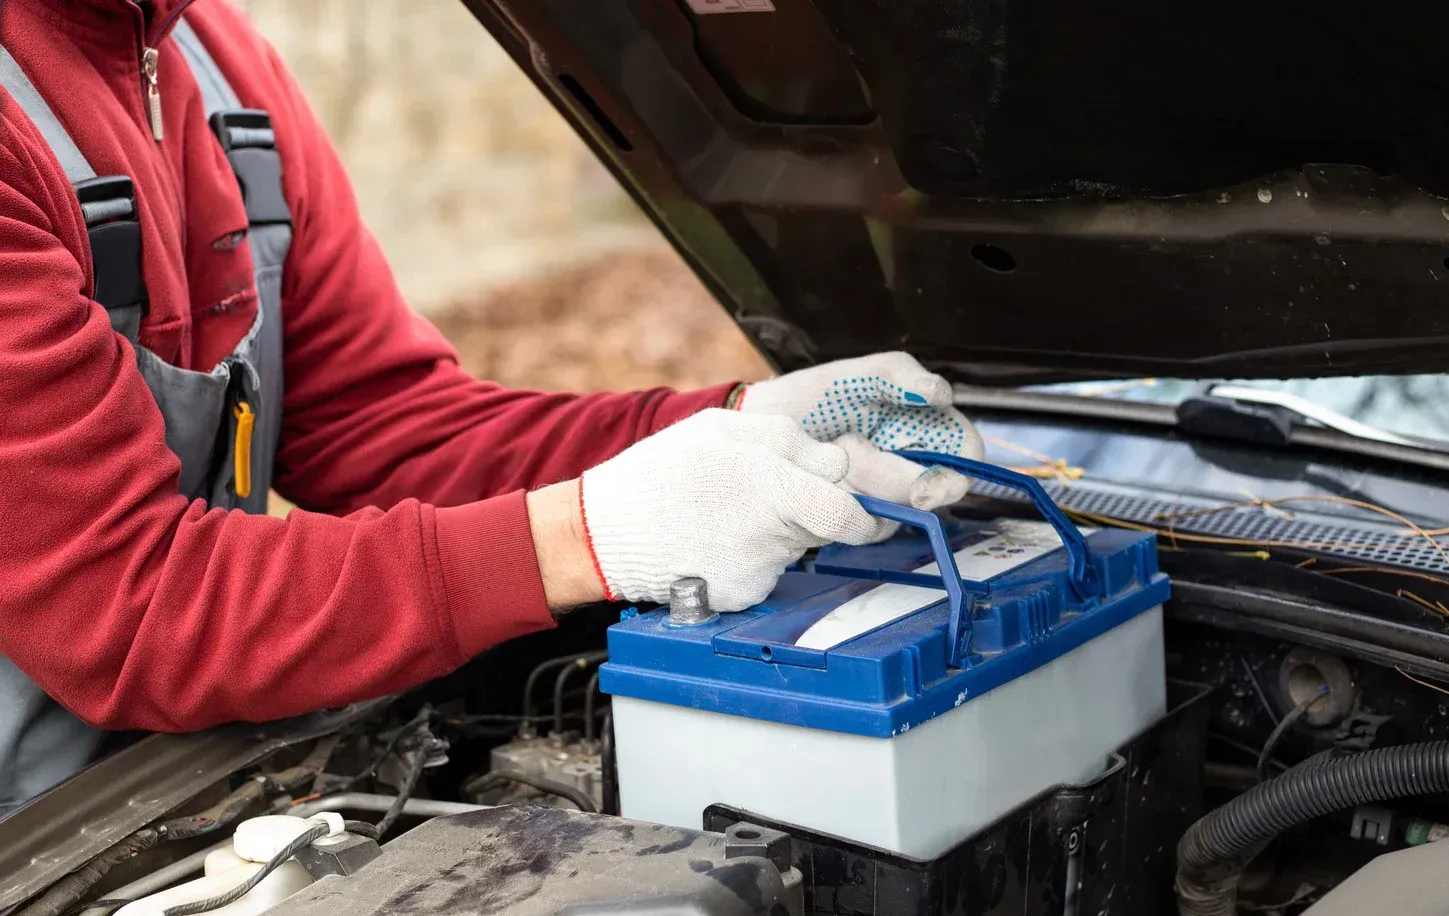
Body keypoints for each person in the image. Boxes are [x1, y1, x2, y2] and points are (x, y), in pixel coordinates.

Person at [0, 0, 982, 812]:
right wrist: (582, 537)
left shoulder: (213, 62)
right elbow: (129, 602)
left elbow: (385, 424)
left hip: (155, 789)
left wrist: (743, 424)